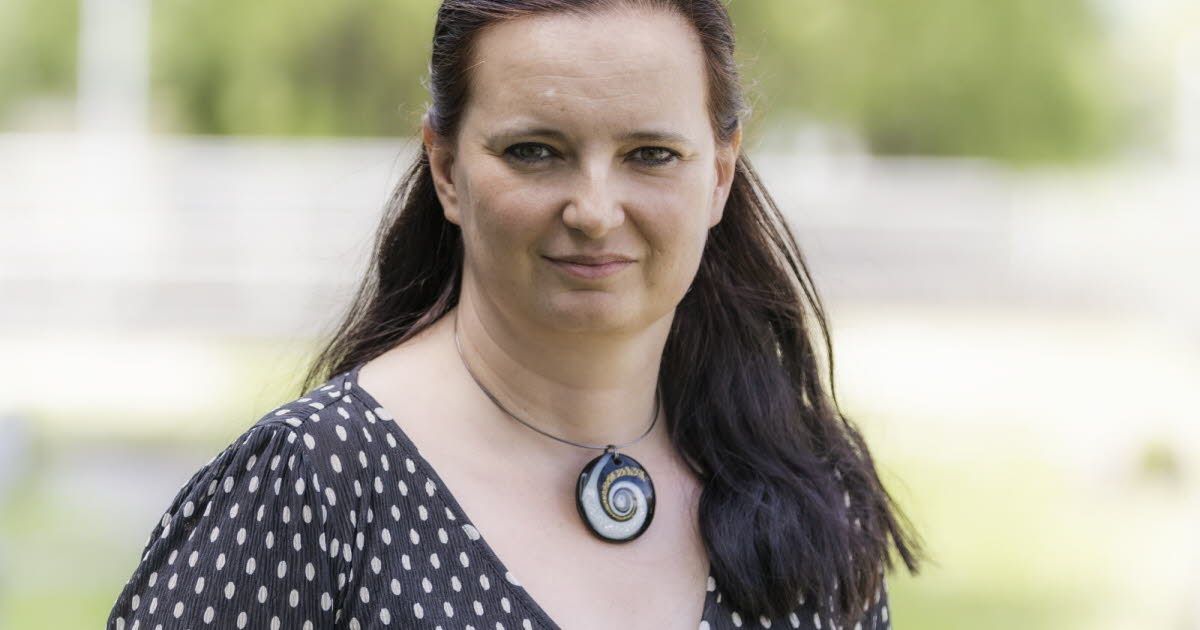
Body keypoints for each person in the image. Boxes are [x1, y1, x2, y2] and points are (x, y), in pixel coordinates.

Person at [107, 1, 924, 628]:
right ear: (446, 168)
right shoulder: (315, 487)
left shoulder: (809, 489)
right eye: (535, 151)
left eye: (650, 155)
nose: (594, 211)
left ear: (719, 173)